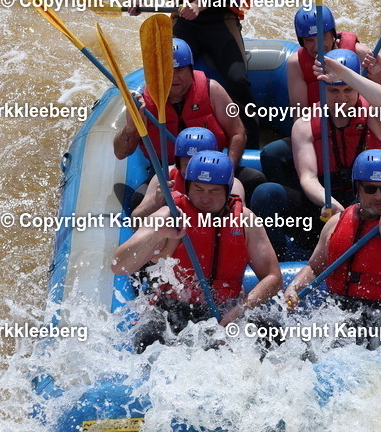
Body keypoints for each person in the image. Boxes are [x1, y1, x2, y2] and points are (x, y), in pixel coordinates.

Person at [111, 150, 282, 352]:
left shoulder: (245, 220)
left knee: (272, 331)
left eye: (214, 191)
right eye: (198, 189)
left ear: (227, 190)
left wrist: (240, 310)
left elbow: (273, 277)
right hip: (172, 311)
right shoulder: (169, 215)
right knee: (148, 338)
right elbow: (118, 266)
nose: (205, 198)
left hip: (226, 309)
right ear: (188, 186)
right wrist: (157, 233)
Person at [253, 49, 381, 255]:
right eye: (333, 91)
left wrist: (345, 73)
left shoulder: (375, 118)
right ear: (322, 90)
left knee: (362, 205)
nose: (341, 98)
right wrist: (329, 202)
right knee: (266, 193)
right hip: (326, 207)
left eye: (348, 90)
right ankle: (279, 257)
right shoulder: (306, 123)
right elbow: (308, 178)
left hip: (367, 204)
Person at [284, 150, 381, 348]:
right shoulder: (337, 222)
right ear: (357, 188)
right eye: (370, 188)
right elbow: (314, 267)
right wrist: (294, 287)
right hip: (340, 314)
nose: (379, 196)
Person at [113, 39, 264, 202]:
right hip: (168, 174)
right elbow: (121, 153)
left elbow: (238, 133)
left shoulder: (212, 90)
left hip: (213, 170)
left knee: (255, 179)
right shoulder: (143, 103)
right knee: (138, 199)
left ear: (191, 69)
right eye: (166, 71)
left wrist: (228, 170)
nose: (173, 78)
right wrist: (130, 127)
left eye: (179, 70)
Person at [126, 0, 260, 148]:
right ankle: (166, 144)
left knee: (238, 79)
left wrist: (200, 3)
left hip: (220, 18)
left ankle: (251, 145)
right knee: (166, 77)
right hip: (185, 18)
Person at [288, 4, 381, 110]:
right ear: (301, 41)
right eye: (310, 40)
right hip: (324, 125)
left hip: (362, 124)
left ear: (333, 35)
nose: (318, 47)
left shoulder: (359, 53)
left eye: (322, 37)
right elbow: (300, 112)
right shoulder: (297, 63)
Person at [131, 127, 244, 219]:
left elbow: (240, 228)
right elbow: (135, 223)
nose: (193, 169)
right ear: (178, 163)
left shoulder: (233, 185)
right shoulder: (165, 176)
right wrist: (156, 202)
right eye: (187, 163)